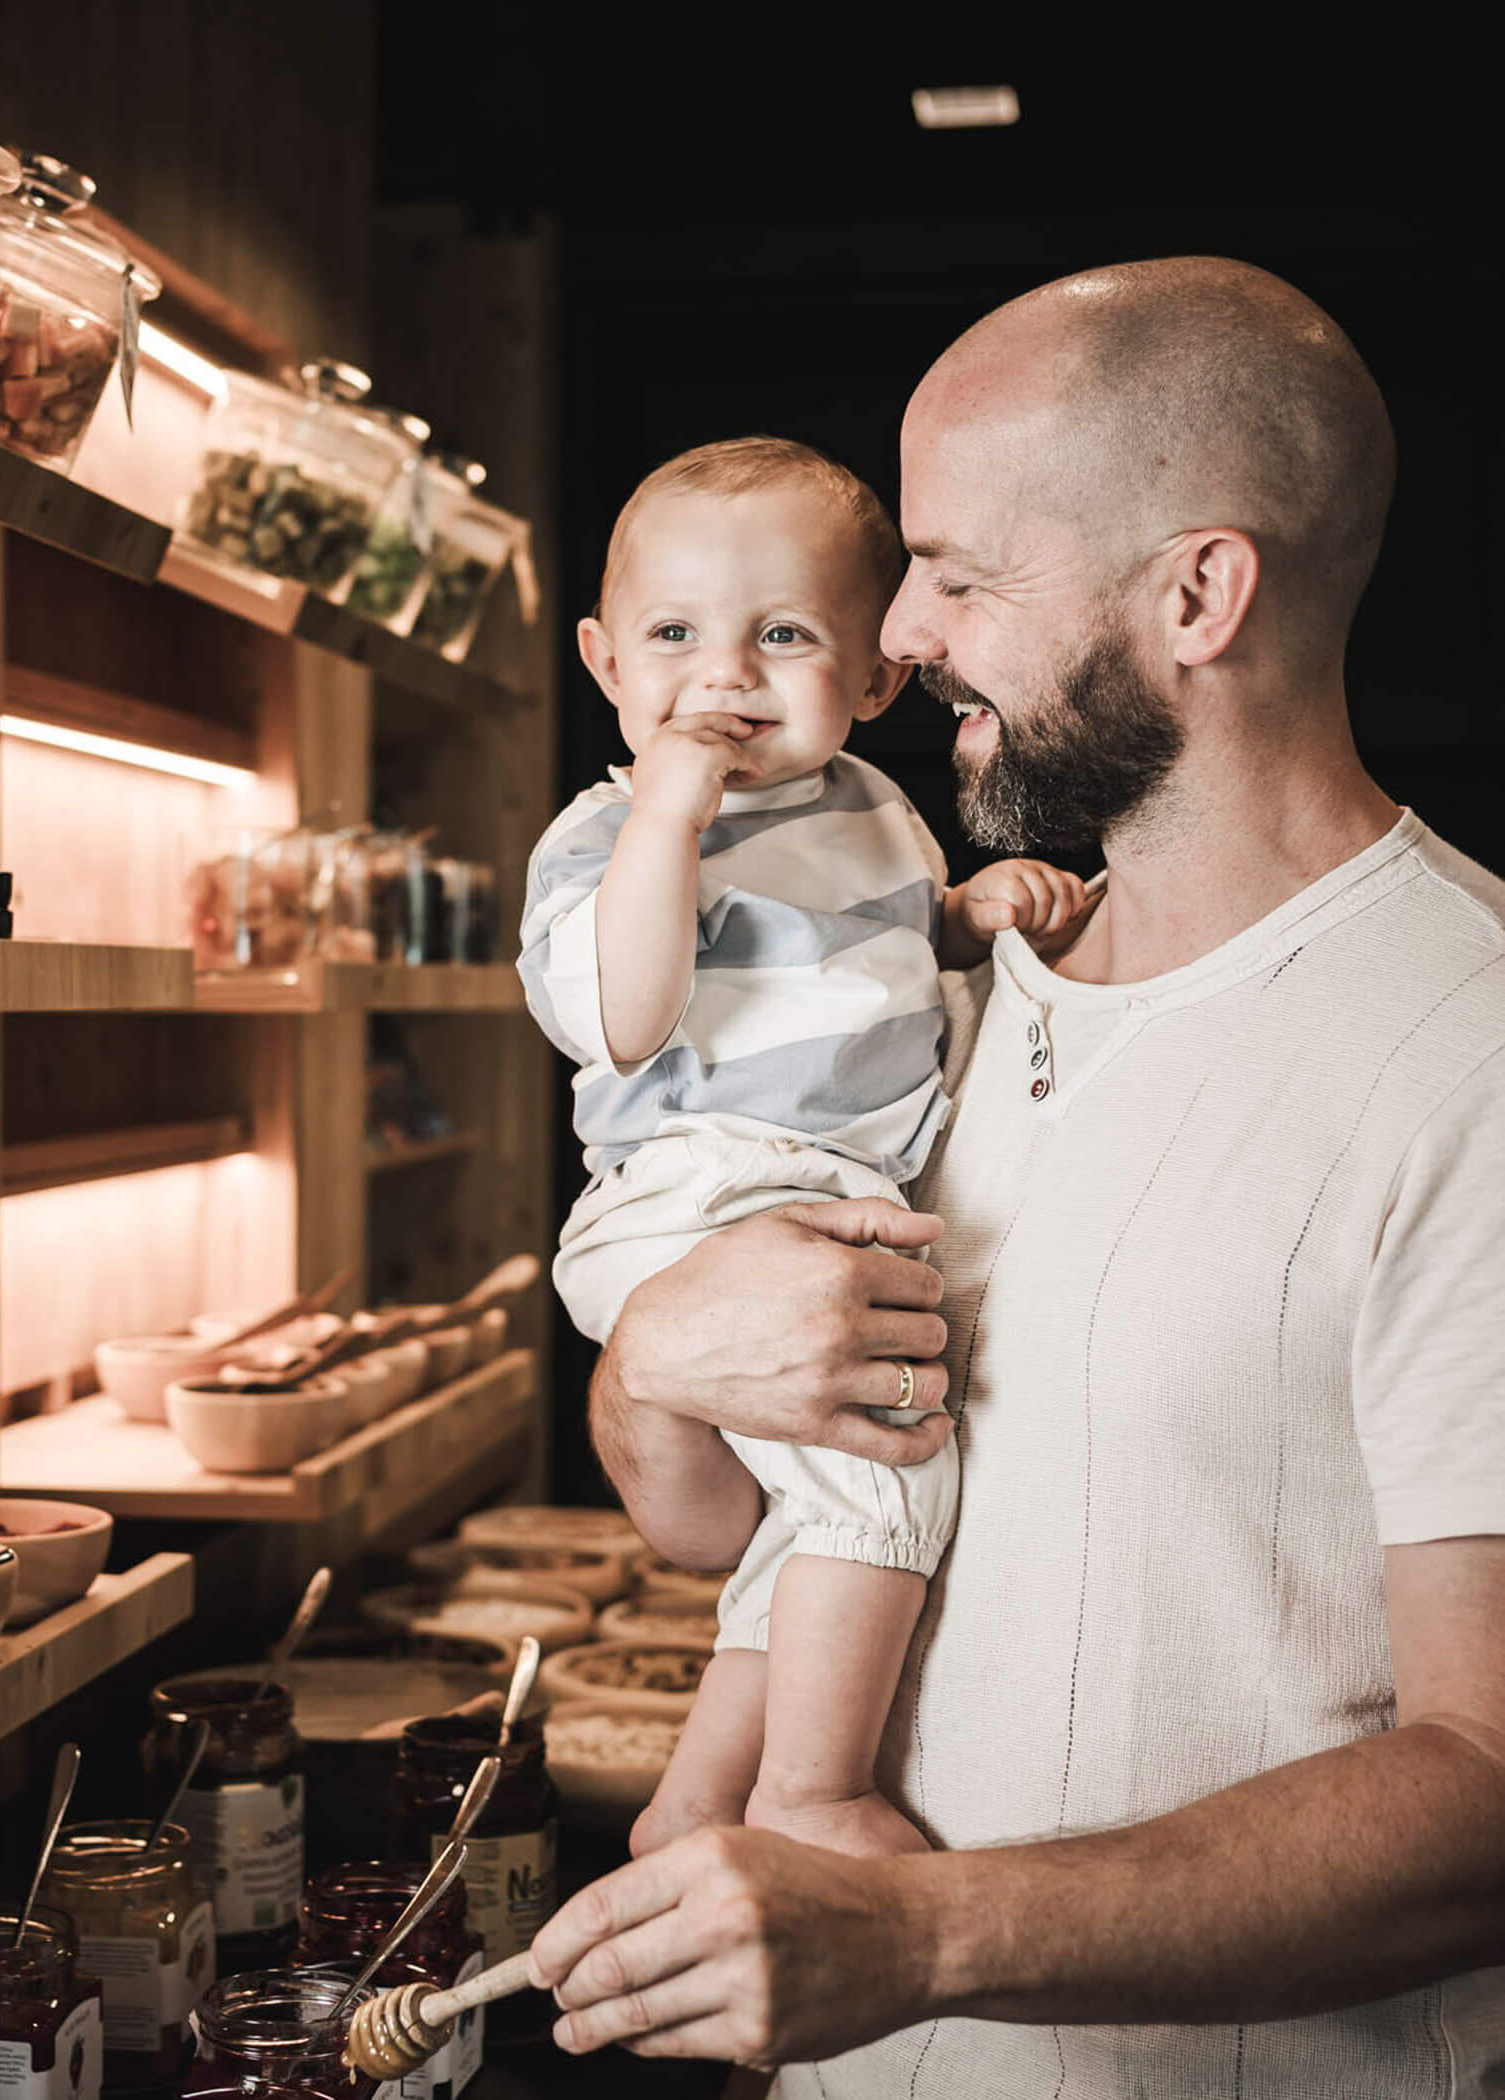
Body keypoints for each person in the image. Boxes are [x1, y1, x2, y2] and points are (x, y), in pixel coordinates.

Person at [525, 256, 1505, 2096]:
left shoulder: (1473, 1049)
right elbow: (724, 1528)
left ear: (1199, 595)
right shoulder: (928, 1006)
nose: (897, 629)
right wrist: (653, 1362)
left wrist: (927, 1935)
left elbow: (1496, 1786)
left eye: (960, 575)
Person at [519, 438, 1086, 1862]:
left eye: (781, 635)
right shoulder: (609, 837)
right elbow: (628, 1020)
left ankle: (698, 1801)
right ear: (603, 662)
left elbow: (879, 957)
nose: (723, 678)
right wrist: (666, 818)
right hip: (696, 1189)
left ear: (878, 675)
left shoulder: (873, 809)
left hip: (818, 1191)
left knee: (814, 1513)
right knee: (888, 1458)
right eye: (673, 636)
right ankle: (814, 1792)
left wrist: (964, 919)